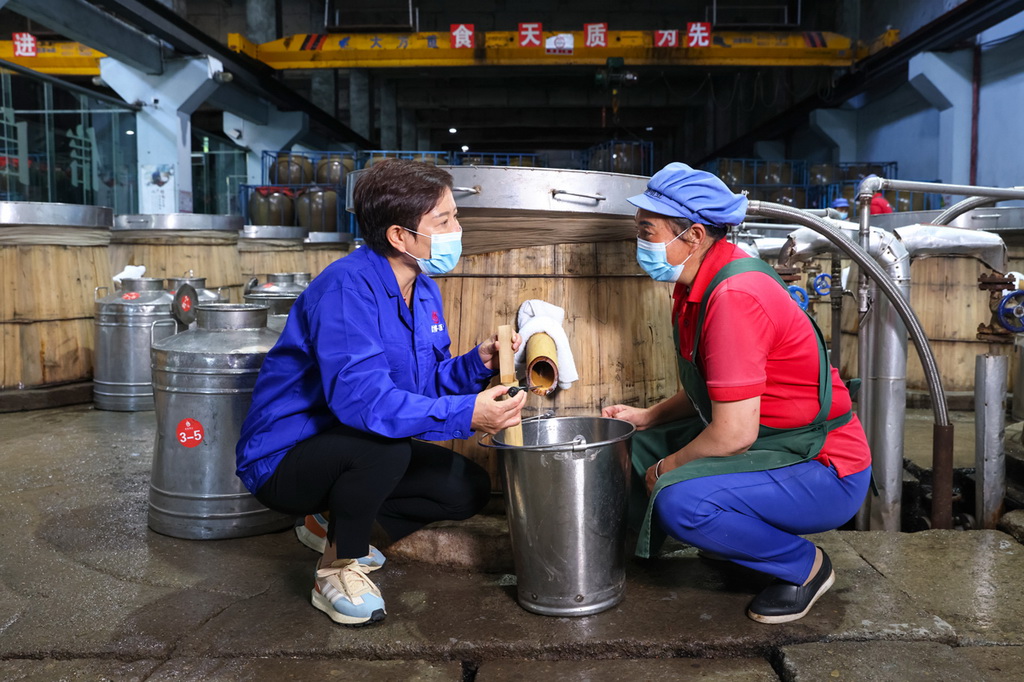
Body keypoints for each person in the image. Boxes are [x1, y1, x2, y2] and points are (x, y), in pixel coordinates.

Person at [236, 159, 527, 627]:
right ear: (399, 235)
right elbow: (365, 404)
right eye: (445, 220)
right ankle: (336, 569)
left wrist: (478, 364)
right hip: (284, 458)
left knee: (464, 489)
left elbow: (417, 385)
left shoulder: (422, 288)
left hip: (351, 443)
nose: (458, 228)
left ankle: (328, 522)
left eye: (455, 216)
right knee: (383, 450)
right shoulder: (346, 288)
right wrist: (467, 414)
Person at [602, 162, 871, 624]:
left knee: (679, 498)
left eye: (648, 232)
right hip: (771, 439)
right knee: (635, 446)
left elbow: (733, 431)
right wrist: (648, 418)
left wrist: (668, 467)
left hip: (823, 466)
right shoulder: (698, 285)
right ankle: (728, 540)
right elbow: (718, 391)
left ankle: (803, 567)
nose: (640, 244)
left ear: (693, 234)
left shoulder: (733, 296)